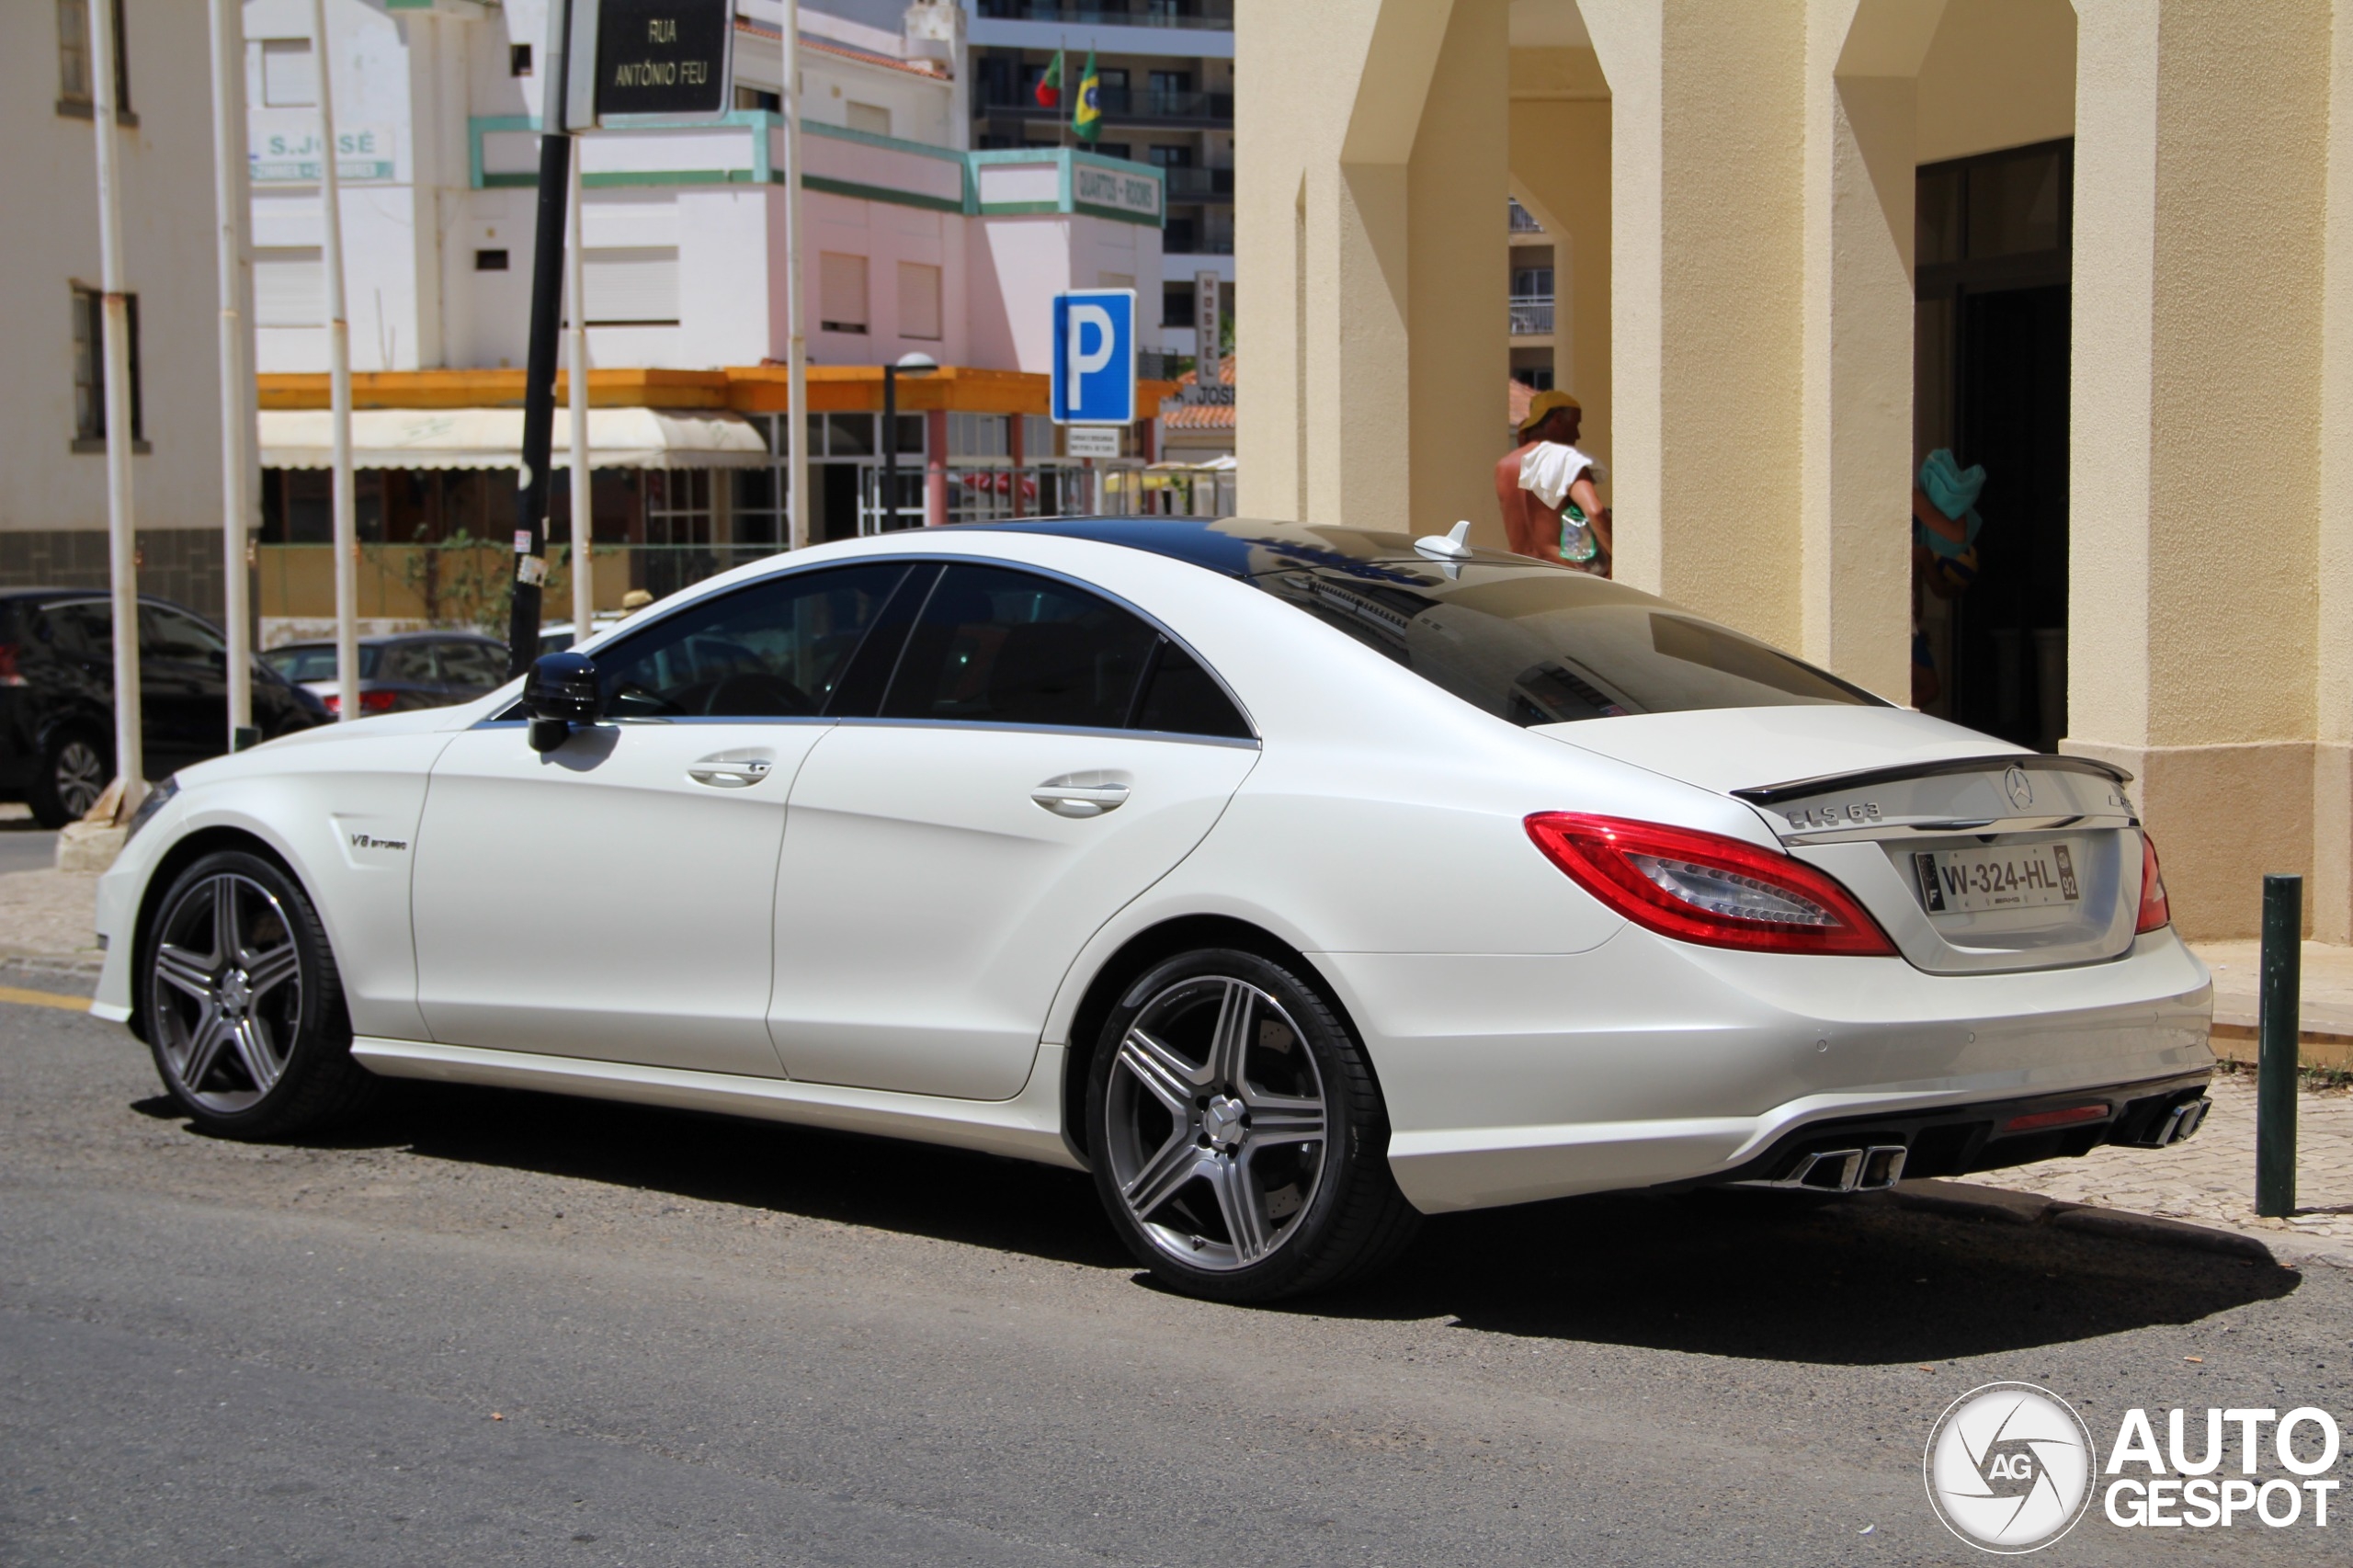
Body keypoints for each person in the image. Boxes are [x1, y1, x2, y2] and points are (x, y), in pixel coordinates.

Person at [1496, 390, 1612, 574]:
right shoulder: (1565, 459)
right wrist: (1619, 559)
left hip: (1520, 573)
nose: (1578, 434)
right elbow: (1596, 512)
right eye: (1575, 424)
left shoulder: (1504, 466)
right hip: (1561, 576)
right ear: (1558, 419)